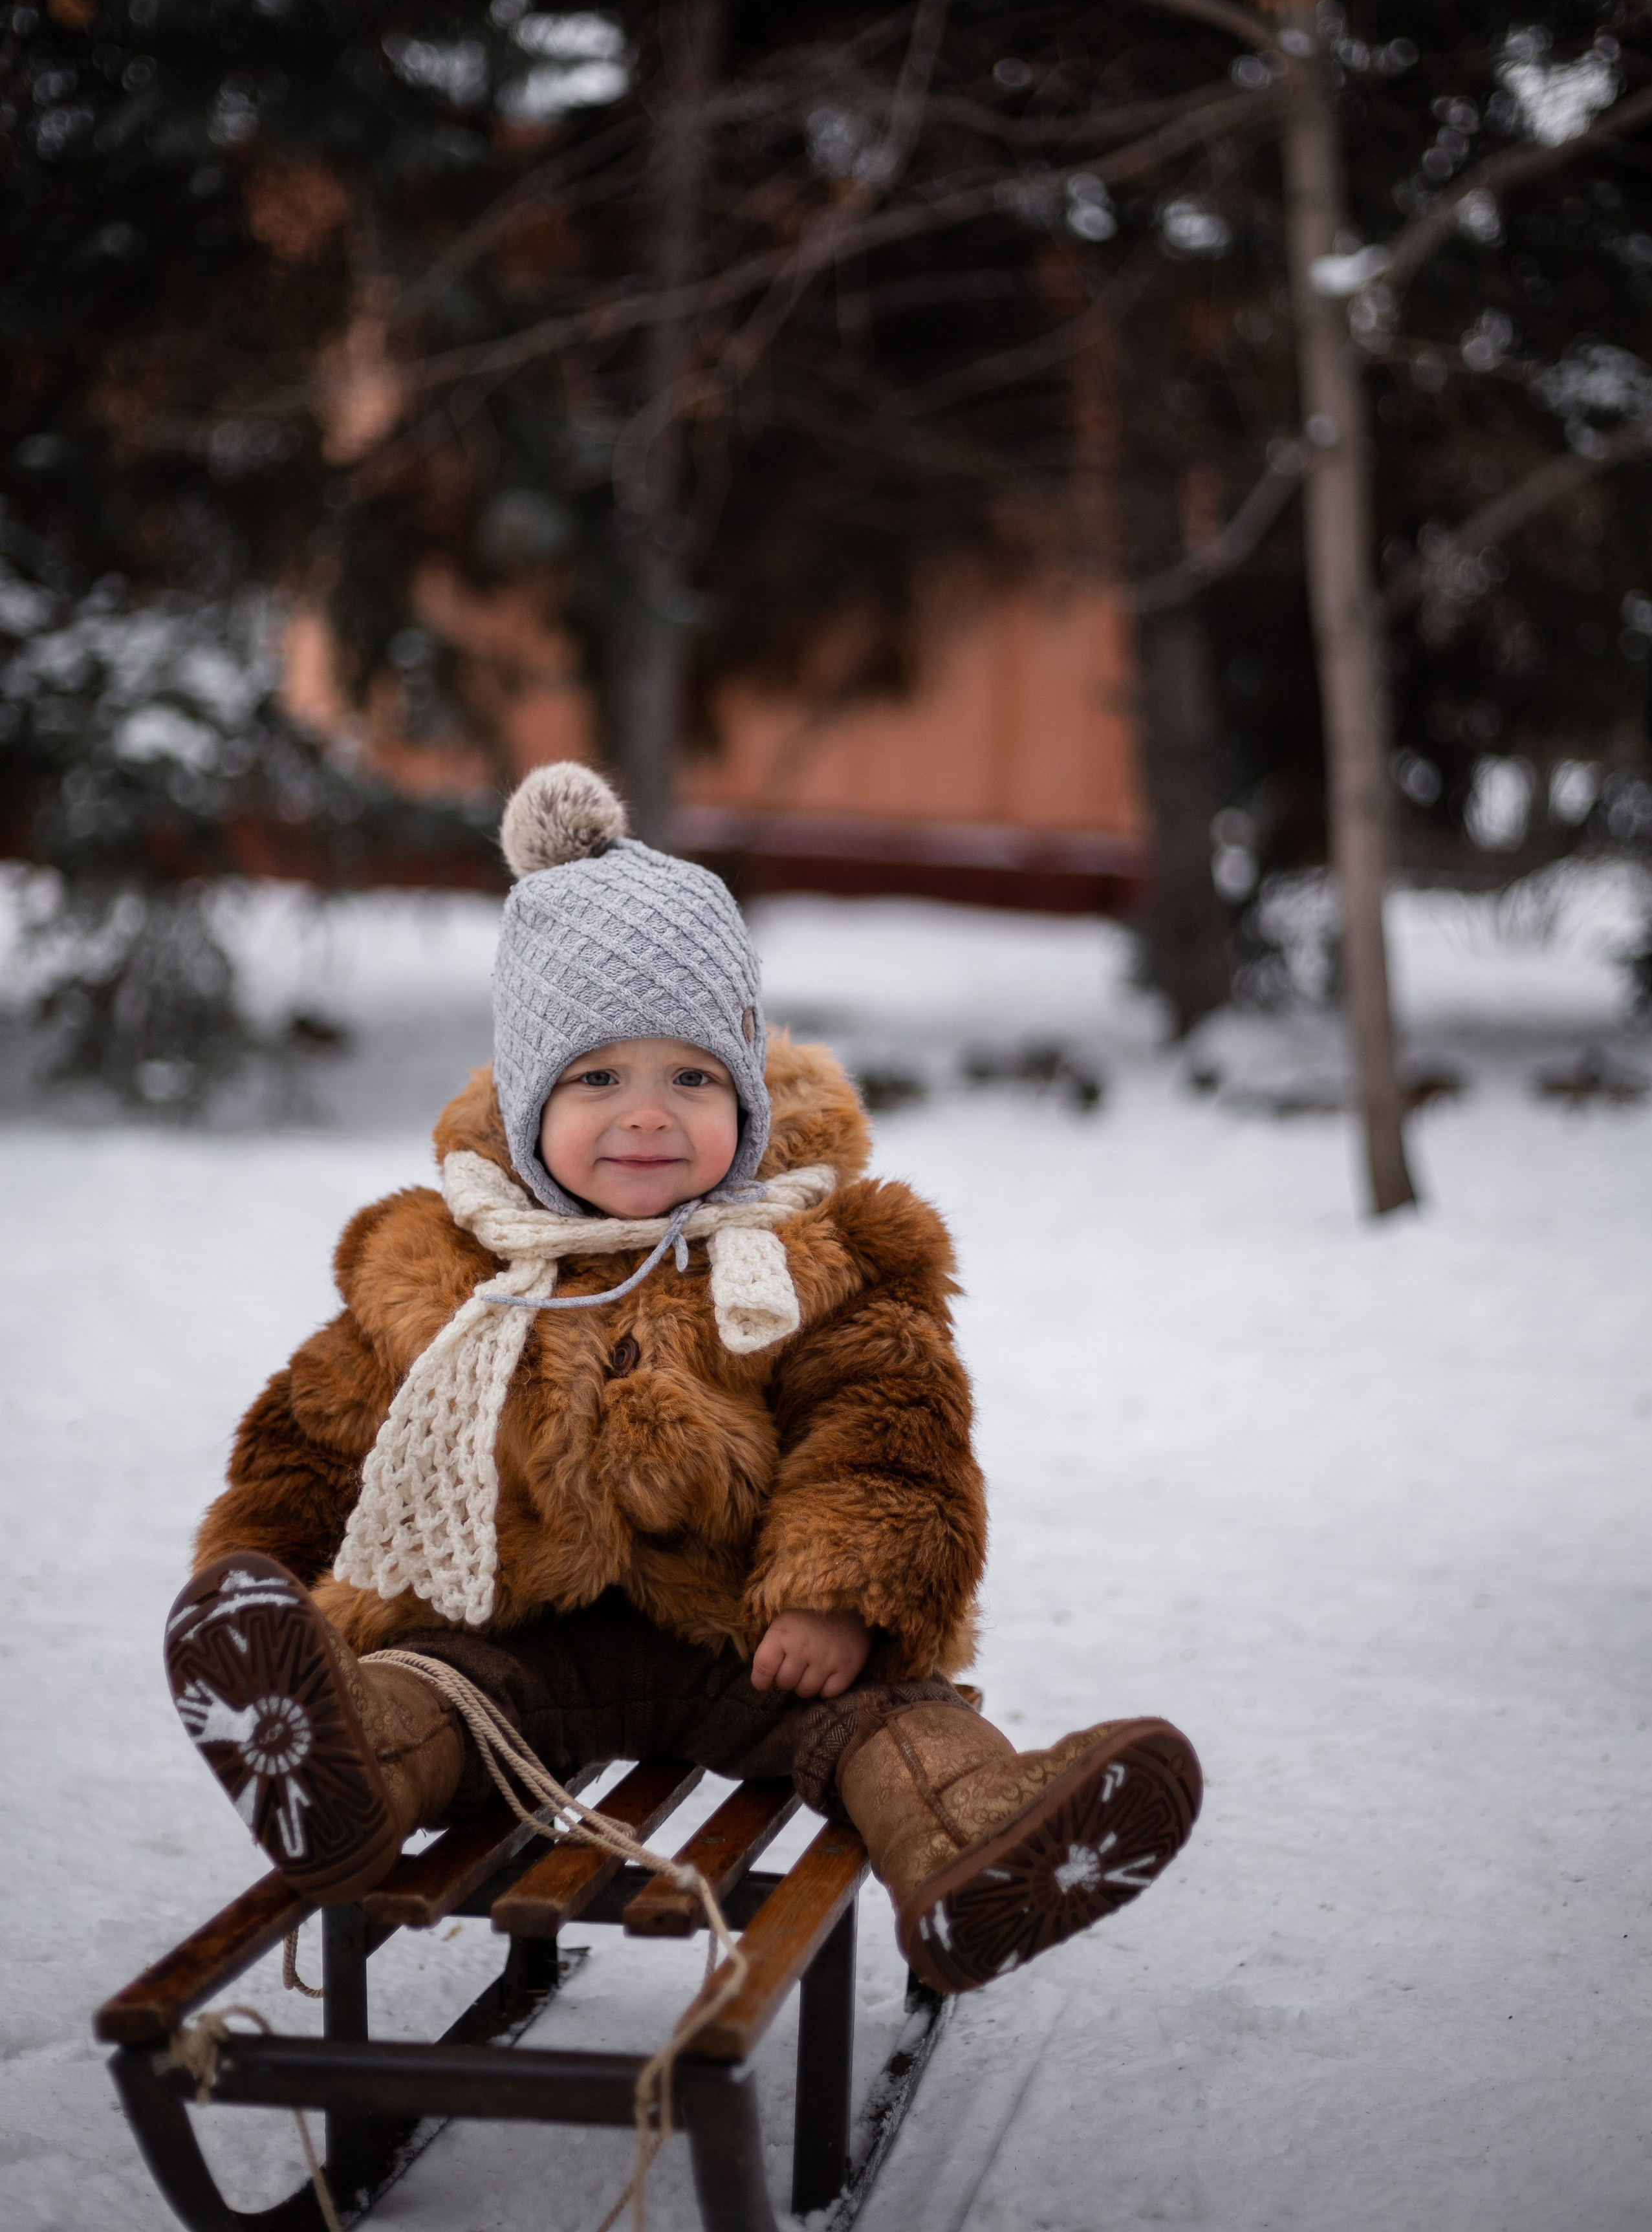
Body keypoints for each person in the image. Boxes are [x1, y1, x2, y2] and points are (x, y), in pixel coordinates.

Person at [166, 762, 1201, 1996]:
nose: (646, 1116)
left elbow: (890, 1429)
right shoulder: (441, 1261)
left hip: (754, 1647)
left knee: (892, 1723)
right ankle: (332, 1762)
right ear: (529, 1095)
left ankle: (979, 1845)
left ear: (749, 1097)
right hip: (510, 1641)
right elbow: (314, 1436)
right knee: (419, 1696)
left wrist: (840, 1599)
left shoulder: (817, 1252)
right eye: (597, 1078)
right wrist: (270, 1598)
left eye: (691, 1078)